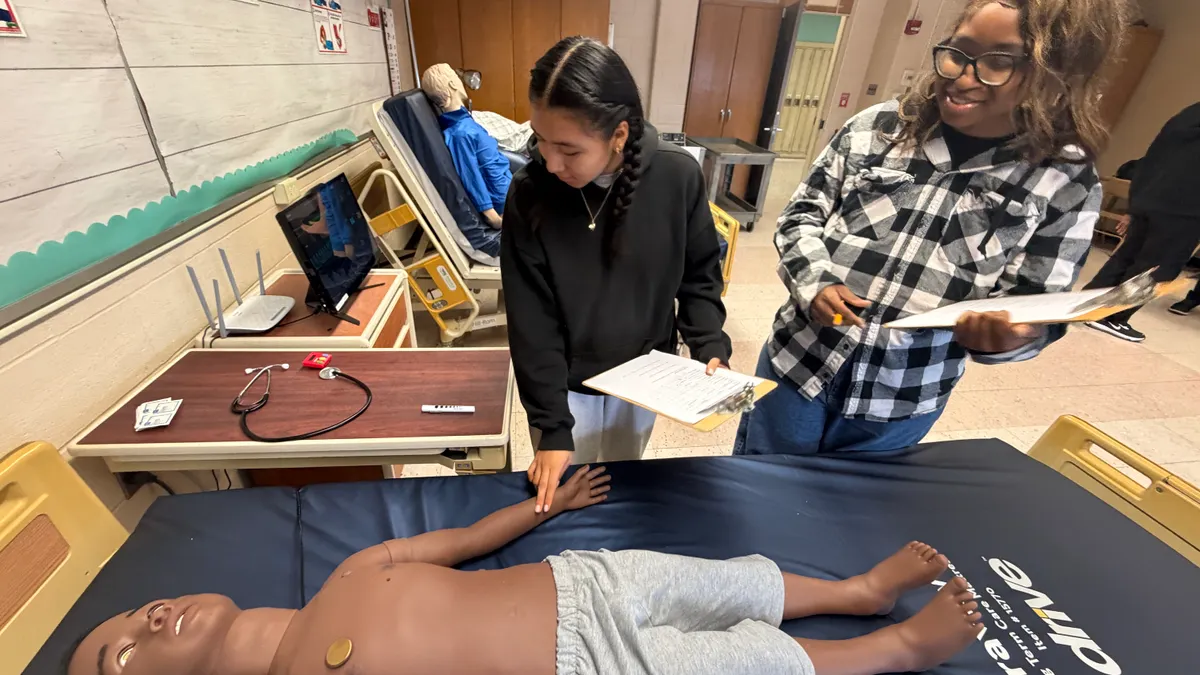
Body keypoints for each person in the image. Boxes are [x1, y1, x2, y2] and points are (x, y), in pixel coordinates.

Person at [68, 466, 984, 675]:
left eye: (138, 610)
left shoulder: (347, 574)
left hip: (584, 581)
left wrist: (547, 508)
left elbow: (464, 539)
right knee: (751, 662)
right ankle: (894, 647)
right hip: (592, 667)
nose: (150, 616)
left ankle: (857, 591)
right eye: (123, 655)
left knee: (734, 581)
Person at [735, 0, 1124, 456]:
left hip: (902, 395)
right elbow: (802, 214)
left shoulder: (1066, 180)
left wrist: (1011, 337)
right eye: (957, 52)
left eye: (998, 62)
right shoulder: (877, 128)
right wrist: (815, 281)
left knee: (854, 498)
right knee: (759, 481)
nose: (962, 76)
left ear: (1054, 76)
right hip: (796, 367)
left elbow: (1040, 304)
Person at [503, 37, 731, 512]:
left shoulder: (676, 176)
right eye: (541, 139)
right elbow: (531, 321)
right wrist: (551, 426)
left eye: (569, 150)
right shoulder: (530, 193)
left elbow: (699, 273)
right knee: (566, 497)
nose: (551, 162)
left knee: (624, 489)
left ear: (619, 135)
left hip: (645, 375)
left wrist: (709, 343)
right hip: (565, 383)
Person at [1083, 102, 1200, 341]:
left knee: (1127, 255)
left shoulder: (1190, 114)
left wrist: (1137, 200)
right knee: (1159, 267)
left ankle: (1087, 305)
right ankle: (1112, 317)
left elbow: (1153, 155)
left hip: (1152, 193)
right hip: (1187, 205)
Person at [421, 63, 512, 249]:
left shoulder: (465, 123)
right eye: (457, 78)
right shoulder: (460, 133)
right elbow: (470, 176)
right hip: (504, 201)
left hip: (511, 189)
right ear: (452, 84)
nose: (463, 82)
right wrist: (493, 217)